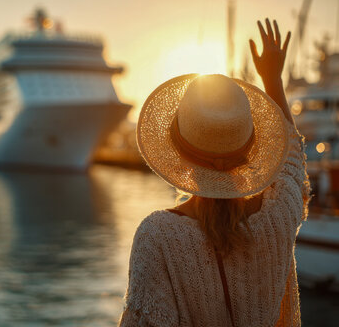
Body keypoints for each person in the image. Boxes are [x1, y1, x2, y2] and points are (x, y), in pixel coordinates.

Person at [118, 19, 310, 327]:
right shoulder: (278, 217)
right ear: (251, 148)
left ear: (178, 150)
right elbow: (292, 161)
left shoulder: (159, 236)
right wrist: (273, 79)